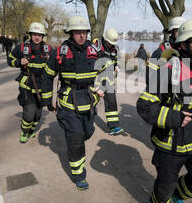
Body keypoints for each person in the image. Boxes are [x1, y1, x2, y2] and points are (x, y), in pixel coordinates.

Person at [137, 19, 192, 203]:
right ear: (182, 44)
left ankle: (177, 194)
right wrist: (174, 117)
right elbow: (144, 105)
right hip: (170, 143)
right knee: (164, 188)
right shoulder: (168, 69)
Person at [41, 16, 105, 191]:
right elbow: (47, 76)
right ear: (70, 33)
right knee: (76, 139)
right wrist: (48, 100)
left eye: (84, 32)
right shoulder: (60, 52)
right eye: (78, 32)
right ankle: (79, 175)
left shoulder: (94, 50)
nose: (82, 35)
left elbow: (105, 71)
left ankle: (76, 140)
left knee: (87, 132)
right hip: (69, 102)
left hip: (89, 101)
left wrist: (102, 87)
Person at [7, 22, 52, 143]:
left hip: (42, 86)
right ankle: (24, 131)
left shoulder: (48, 49)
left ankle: (31, 130)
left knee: (38, 114)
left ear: (43, 36)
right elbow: (10, 60)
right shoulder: (21, 48)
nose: (37, 37)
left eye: (39, 35)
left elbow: (55, 66)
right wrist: (18, 62)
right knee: (29, 112)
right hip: (27, 84)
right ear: (30, 35)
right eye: (34, 34)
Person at [93, 28, 124, 135]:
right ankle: (86, 119)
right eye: (110, 43)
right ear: (105, 39)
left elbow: (115, 60)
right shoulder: (96, 46)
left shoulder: (114, 48)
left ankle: (113, 127)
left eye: (113, 43)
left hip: (109, 81)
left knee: (111, 103)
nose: (111, 45)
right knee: (90, 101)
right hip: (96, 80)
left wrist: (116, 66)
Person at [146, 17, 186, 82]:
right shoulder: (160, 52)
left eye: (183, 30)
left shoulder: (188, 52)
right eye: (178, 30)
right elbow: (150, 78)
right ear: (172, 31)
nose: (181, 33)